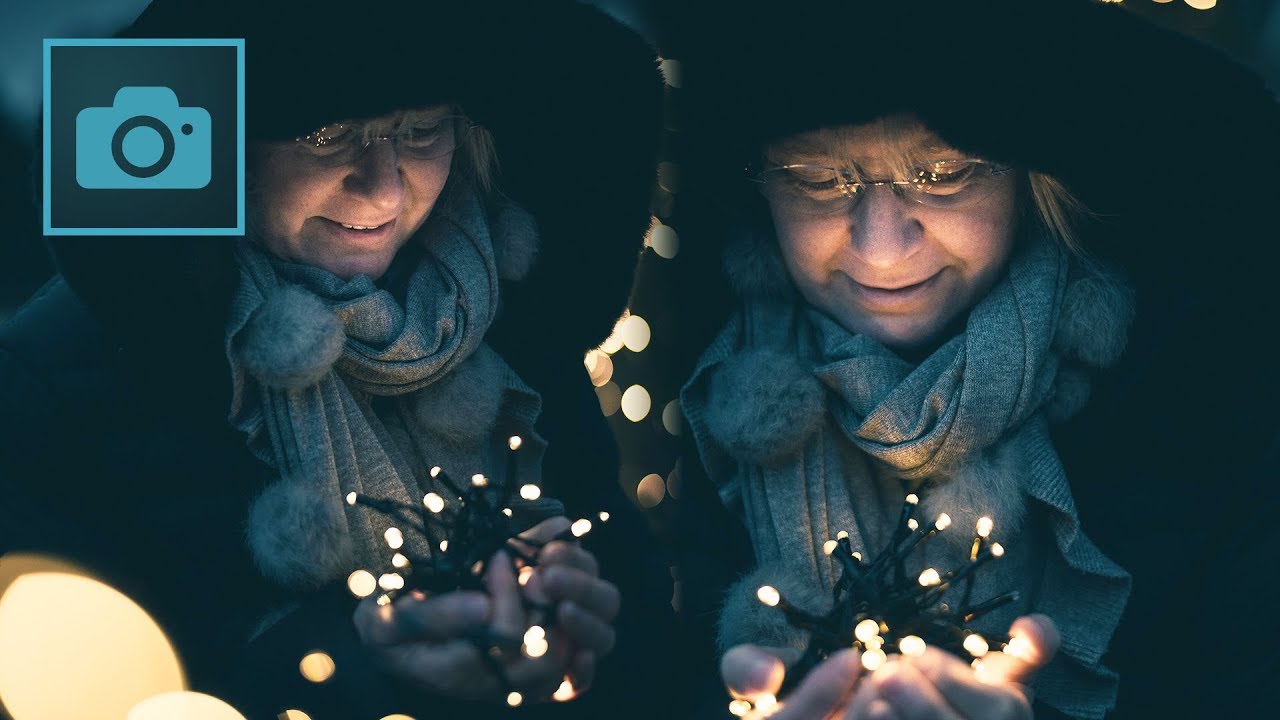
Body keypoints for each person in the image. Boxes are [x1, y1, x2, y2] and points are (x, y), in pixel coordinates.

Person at [0, 0, 674, 717]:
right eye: (325, 134)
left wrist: (595, 633)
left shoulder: (501, 326)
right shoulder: (57, 382)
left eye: (420, 130)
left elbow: (652, 652)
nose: (383, 187)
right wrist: (352, 665)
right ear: (217, 136)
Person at [667, 0, 1280, 718]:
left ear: (1029, 179)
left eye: (941, 173)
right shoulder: (699, 409)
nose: (881, 247)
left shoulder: (1199, 399)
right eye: (819, 180)